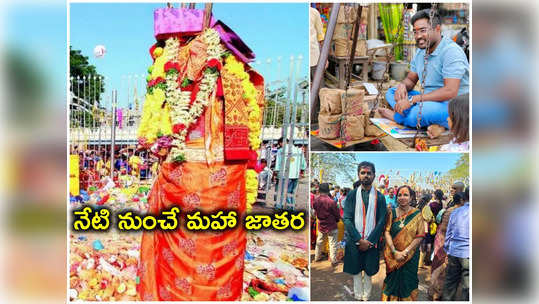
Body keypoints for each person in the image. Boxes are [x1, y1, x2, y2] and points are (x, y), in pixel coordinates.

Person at [379, 9, 469, 138]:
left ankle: (397, 117)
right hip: (428, 100)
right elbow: (410, 80)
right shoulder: (420, 52)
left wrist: (412, 100)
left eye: (423, 30)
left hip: (454, 105)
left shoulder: (451, 52)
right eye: (415, 32)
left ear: (437, 29)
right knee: (392, 92)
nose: (418, 36)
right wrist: (402, 86)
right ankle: (438, 123)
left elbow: (450, 91)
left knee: (418, 113)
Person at [343, 162, 387, 301]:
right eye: (363, 173)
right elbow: (347, 219)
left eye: (369, 173)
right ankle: (357, 295)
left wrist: (369, 241)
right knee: (356, 271)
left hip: (371, 242)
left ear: (374, 175)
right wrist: (358, 239)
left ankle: (366, 296)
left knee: (368, 272)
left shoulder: (379, 197)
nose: (366, 175)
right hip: (355, 240)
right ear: (358, 175)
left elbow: (381, 221)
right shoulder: (351, 195)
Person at [382, 185, 426, 301]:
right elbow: (387, 232)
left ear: (411, 197)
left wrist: (405, 252)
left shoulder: (417, 214)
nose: (402, 197)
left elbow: (420, 235)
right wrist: (394, 251)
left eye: (405, 195)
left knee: (408, 281)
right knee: (392, 282)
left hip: (410, 256)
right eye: (400, 195)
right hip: (393, 256)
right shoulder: (391, 213)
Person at [429, 190, 465, 300]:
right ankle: (437, 292)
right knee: (443, 266)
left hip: (439, 238)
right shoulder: (458, 212)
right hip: (447, 241)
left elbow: (440, 222)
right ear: (462, 200)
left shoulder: (447, 209)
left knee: (438, 264)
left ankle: (434, 290)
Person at [442, 188, 470, 301]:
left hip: (454, 252)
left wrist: (447, 251)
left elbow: (448, 233)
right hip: (468, 255)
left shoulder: (456, 212)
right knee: (466, 288)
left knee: (449, 285)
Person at [313, 183, 341, 266]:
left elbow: (315, 211)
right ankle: (333, 260)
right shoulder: (332, 202)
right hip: (331, 225)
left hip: (321, 225)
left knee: (319, 242)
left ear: (319, 190)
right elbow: (337, 214)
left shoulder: (316, 201)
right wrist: (337, 220)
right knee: (333, 243)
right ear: (328, 191)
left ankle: (317, 257)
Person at [274, 141, 306, 210]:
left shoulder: (281, 150)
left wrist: (276, 172)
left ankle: (279, 206)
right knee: (291, 192)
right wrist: (302, 170)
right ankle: (291, 207)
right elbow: (303, 164)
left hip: (284, 174)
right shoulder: (299, 150)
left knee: (281, 191)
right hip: (295, 175)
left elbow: (278, 163)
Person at [422, 189, 444, 266]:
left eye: (434, 194)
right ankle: (428, 259)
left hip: (430, 225)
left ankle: (426, 260)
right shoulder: (442, 204)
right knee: (432, 242)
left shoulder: (432, 205)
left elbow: (427, 216)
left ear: (436, 195)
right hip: (437, 226)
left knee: (428, 242)